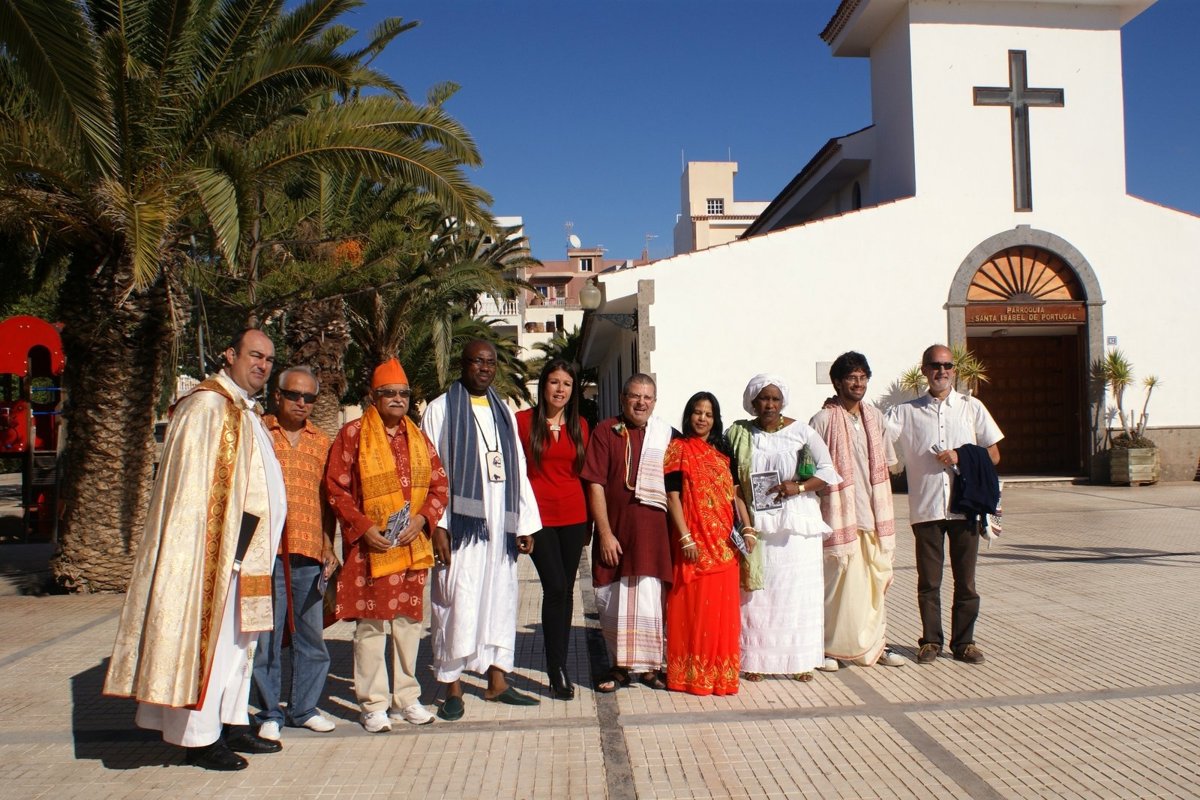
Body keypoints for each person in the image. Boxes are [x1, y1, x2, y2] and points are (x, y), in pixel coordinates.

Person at [104, 329, 287, 771]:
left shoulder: (245, 410)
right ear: (230, 355)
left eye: (268, 359)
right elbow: (190, 491)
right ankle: (200, 739)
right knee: (214, 646)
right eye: (255, 355)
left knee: (240, 645)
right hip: (215, 558)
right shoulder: (206, 406)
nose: (262, 365)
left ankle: (230, 722)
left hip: (247, 556)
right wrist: (214, 549)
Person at [326, 357, 450, 732]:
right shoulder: (352, 435)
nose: (398, 399)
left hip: (411, 548)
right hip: (371, 550)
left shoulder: (418, 437)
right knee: (371, 626)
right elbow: (336, 489)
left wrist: (422, 520)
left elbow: (439, 485)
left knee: (409, 625)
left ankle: (406, 699)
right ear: (373, 396)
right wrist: (363, 528)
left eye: (403, 393)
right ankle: (373, 703)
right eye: (389, 393)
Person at [421, 340, 542, 720]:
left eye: (490, 362)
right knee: (456, 601)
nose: (485, 368)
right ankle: (452, 686)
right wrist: (438, 525)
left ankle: (497, 681)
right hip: (461, 527)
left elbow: (518, 467)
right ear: (463, 364)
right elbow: (430, 472)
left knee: (499, 601)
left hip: (499, 527)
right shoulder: (441, 409)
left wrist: (524, 522)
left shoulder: (503, 410)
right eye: (478, 361)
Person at [886, 344, 1003, 665]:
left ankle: (964, 643)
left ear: (954, 370)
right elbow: (876, 436)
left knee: (966, 581)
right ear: (924, 369)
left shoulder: (971, 407)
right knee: (929, 581)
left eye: (947, 365)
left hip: (965, 506)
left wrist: (961, 455)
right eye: (935, 365)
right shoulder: (905, 412)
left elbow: (994, 454)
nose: (942, 371)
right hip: (926, 507)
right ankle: (930, 641)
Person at [729, 374, 840, 682]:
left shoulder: (802, 432)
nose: (770, 404)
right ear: (753, 402)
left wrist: (799, 487)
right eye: (764, 398)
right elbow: (732, 479)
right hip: (759, 523)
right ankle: (755, 659)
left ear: (783, 402)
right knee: (759, 595)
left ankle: (800, 660)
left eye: (775, 399)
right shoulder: (741, 434)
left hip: (796, 525)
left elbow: (828, 471)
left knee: (797, 593)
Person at [252, 366, 339, 741]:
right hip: (267, 553)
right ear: (277, 396)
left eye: (309, 397)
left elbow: (329, 500)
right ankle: (270, 712)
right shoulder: (259, 434)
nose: (302, 403)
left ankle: (303, 709)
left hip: (310, 553)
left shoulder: (322, 442)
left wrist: (328, 543)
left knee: (310, 638)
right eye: (294, 395)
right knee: (267, 640)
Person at [808, 352, 906, 671]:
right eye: (852, 377)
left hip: (873, 516)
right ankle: (829, 648)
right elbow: (809, 471)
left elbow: (887, 464)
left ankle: (876, 645)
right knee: (838, 586)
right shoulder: (822, 421)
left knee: (872, 585)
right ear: (837, 382)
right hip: (838, 518)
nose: (858, 383)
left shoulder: (874, 417)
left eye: (863, 377)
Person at [582, 373, 674, 692]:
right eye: (635, 396)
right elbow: (595, 483)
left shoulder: (665, 435)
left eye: (647, 397)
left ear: (655, 402)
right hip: (617, 534)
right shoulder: (605, 431)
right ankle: (619, 668)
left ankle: (650, 668)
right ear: (623, 399)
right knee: (614, 601)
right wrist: (605, 533)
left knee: (651, 600)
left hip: (654, 538)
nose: (641, 402)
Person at [663, 392, 750, 696]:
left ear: (715, 419)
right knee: (693, 609)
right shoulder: (678, 449)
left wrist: (748, 527)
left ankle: (720, 676)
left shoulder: (723, 451)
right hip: (693, 544)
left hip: (725, 545)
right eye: (697, 412)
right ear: (689, 415)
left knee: (721, 614)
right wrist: (685, 536)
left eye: (708, 414)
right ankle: (689, 675)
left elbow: (735, 494)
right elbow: (672, 497)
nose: (702, 418)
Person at [516, 359, 591, 700]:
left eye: (567, 384)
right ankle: (555, 668)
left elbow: (585, 476)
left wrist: (591, 524)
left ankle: (560, 665)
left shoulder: (581, 426)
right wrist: (520, 525)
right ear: (543, 385)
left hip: (574, 516)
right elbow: (516, 476)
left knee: (567, 590)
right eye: (554, 382)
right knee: (555, 587)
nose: (560, 389)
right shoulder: (522, 422)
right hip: (538, 518)